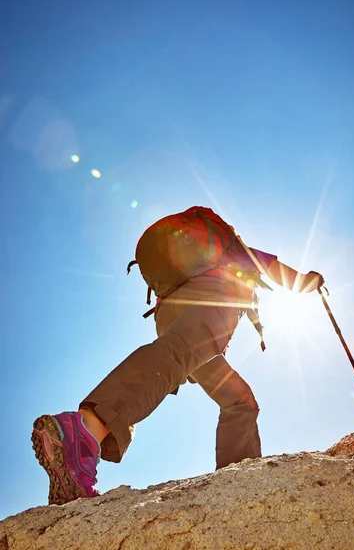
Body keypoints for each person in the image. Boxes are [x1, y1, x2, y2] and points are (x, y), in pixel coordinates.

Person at [32, 207, 324, 505]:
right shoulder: (235, 250)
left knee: (238, 398)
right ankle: (83, 433)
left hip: (169, 311)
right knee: (179, 354)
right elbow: (274, 270)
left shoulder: (198, 256)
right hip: (211, 298)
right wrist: (308, 281)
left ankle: (238, 475)